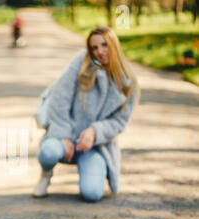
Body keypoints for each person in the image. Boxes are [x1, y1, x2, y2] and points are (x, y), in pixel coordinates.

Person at [33, 26, 139, 202]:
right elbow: (59, 98)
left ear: (114, 45)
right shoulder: (82, 62)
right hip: (64, 137)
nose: (100, 52)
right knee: (48, 152)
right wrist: (63, 135)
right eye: (94, 48)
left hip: (95, 146)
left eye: (104, 45)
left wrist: (94, 132)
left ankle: (95, 171)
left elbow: (119, 122)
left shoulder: (128, 82)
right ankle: (45, 175)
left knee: (92, 194)